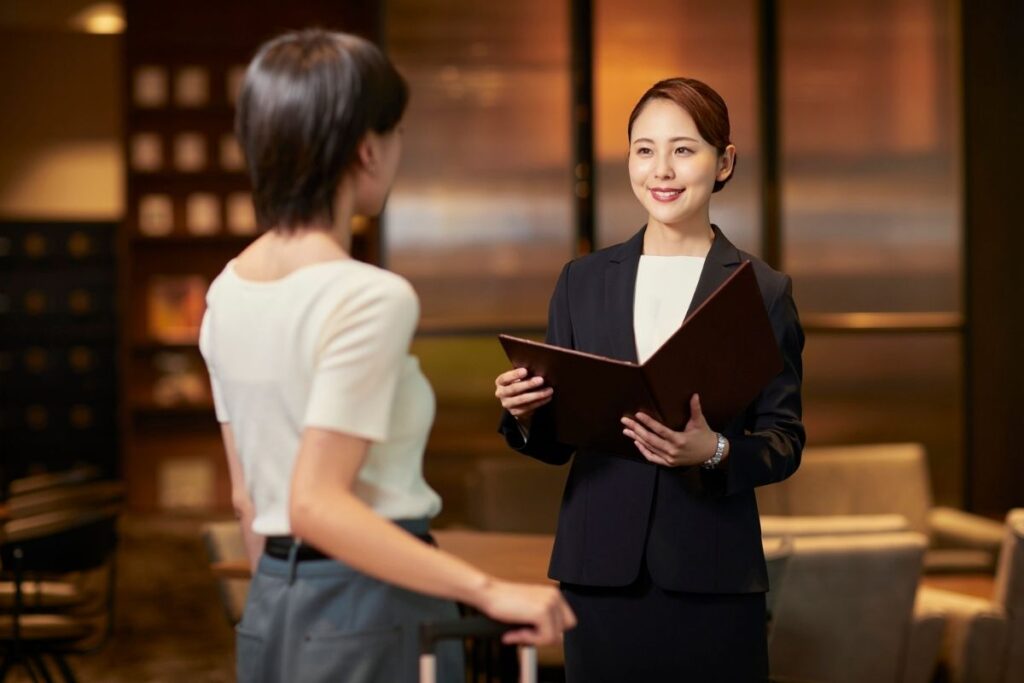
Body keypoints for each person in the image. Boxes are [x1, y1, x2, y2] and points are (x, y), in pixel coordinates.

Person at [199, 29, 574, 683]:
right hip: (370, 600)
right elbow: (316, 500)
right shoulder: (368, 295)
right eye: (397, 132)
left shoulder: (225, 291)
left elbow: (246, 498)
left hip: (273, 602)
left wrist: (291, 616)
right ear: (367, 150)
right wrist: (488, 589)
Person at [494, 77, 805, 682]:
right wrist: (527, 413)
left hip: (712, 576)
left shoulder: (762, 291)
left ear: (725, 162)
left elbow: (784, 439)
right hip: (597, 575)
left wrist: (711, 451)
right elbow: (559, 440)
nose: (661, 169)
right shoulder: (580, 281)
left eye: (684, 149)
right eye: (644, 149)